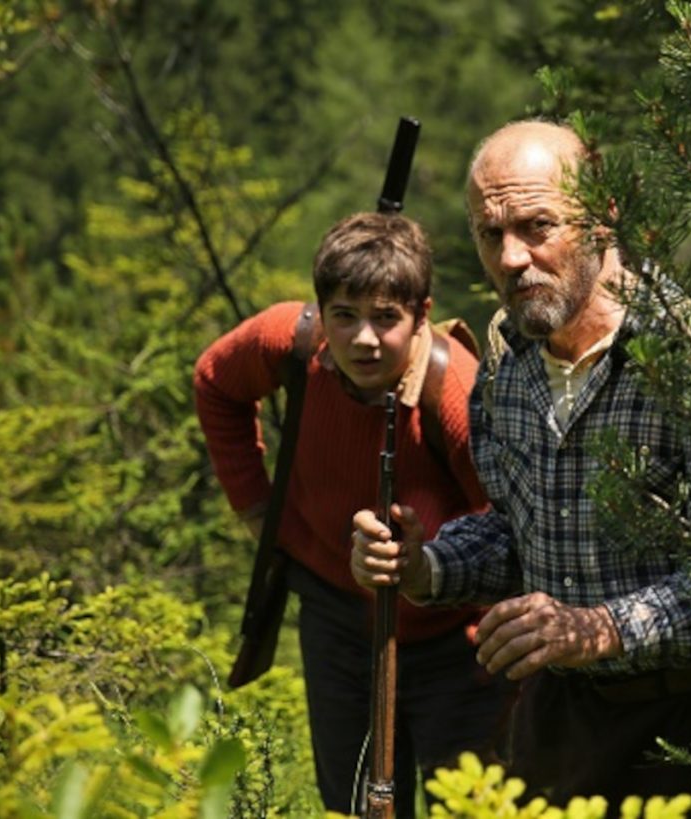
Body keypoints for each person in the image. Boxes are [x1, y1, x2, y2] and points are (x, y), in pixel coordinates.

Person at [350, 121, 691, 809]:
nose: (510, 257)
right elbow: (520, 530)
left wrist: (605, 627)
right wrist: (426, 566)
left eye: (537, 225)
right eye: (488, 233)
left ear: (604, 216)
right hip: (562, 728)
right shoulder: (510, 362)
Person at [194, 211, 513, 818]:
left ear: (421, 314)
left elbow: (507, 528)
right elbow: (215, 381)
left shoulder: (461, 396)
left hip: (457, 642)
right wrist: (258, 512)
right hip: (337, 622)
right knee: (355, 806)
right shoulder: (290, 341)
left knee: (472, 808)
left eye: (386, 318)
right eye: (344, 315)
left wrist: (435, 573)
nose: (363, 339)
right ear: (321, 312)